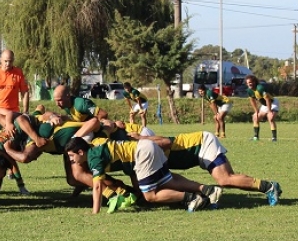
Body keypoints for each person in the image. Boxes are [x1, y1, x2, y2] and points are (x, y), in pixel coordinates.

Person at [64, 137, 223, 214]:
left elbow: (97, 186)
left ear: (81, 152)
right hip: (147, 146)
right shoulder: (95, 145)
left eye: (71, 156)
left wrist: (95, 212)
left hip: (142, 153)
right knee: (168, 179)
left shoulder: (93, 158)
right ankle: (207, 189)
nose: (71, 160)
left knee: (150, 196)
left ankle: (192, 198)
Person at [144, 131, 283, 206]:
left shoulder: (143, 144)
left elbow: (166, 142)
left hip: (203, 144)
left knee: (225, 179)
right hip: (200, 148)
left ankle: (269, 187)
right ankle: (200, 197)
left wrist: (141, 139)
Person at [244, 75, 279, 142]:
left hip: (273, 103)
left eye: (250, 82)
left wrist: (269, 111)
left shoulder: (260, 88)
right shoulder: (249, 90)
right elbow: (252, 101)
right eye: (247, 83)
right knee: (255, 117)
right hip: (265, 105)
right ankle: (255, 137)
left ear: (254, 82)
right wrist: (256, 111)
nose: (249, 84)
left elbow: (267, 99)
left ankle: (274, 138)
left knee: (270, 118)